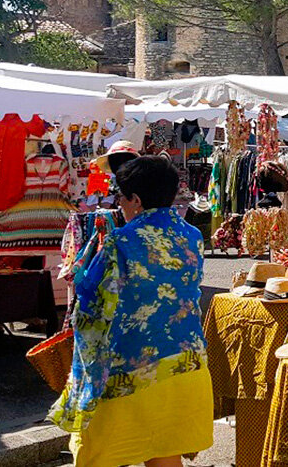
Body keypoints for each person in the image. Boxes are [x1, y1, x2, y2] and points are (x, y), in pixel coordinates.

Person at [49, 155, 212, 467]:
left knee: (97, 454)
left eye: (119, 196)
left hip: (132, 371)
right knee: (164, 455)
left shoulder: (121, 241)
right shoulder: (192, 235)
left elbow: (91, 299)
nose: (117, 203)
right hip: (185, 362)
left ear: (135, 200)